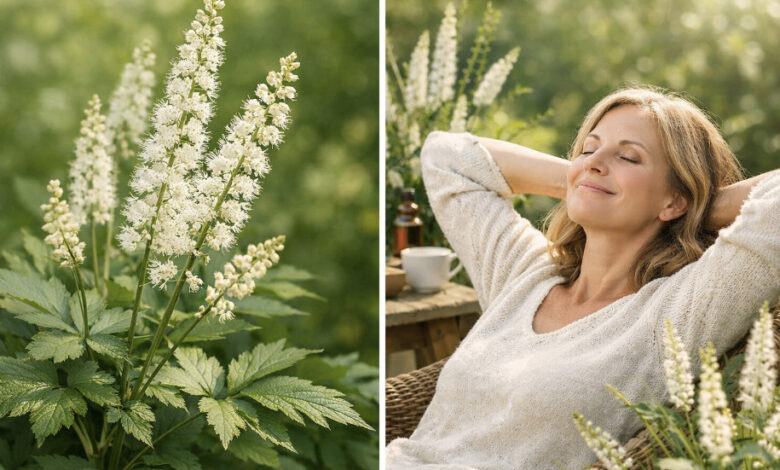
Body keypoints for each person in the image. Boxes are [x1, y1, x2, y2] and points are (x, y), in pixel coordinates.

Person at [385, 87, 780, 469]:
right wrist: (582, 180)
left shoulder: (678, 312)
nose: (594, 160)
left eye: (628, 157)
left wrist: (693, 207)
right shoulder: (524, 273)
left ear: (674, 200)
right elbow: (446, 157)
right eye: (588, 148)